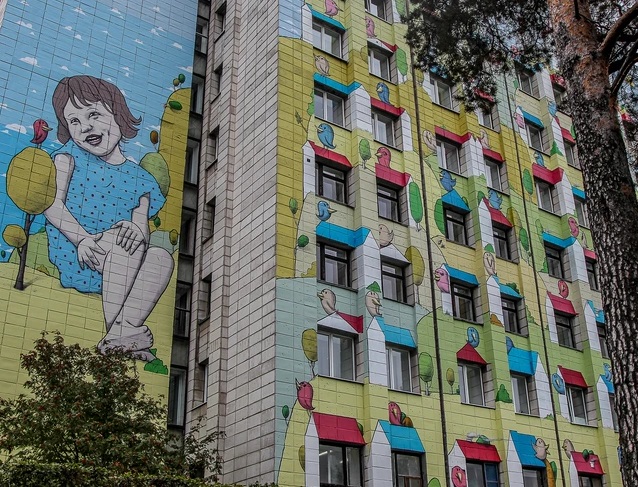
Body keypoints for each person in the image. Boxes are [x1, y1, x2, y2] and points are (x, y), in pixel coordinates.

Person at [44, 75, 173, 361]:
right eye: (74, 121)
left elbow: (141, 230)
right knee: (119, 242)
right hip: (79, 251)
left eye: (93, 114)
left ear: (118, 113)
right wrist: (82, 240)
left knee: (161, 256)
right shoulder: (67, 158)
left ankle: (120, 334)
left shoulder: (141, 177)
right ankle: (120, 339)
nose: (85, 126)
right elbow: (53, 206)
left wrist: (133, 229)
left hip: (122, 260)